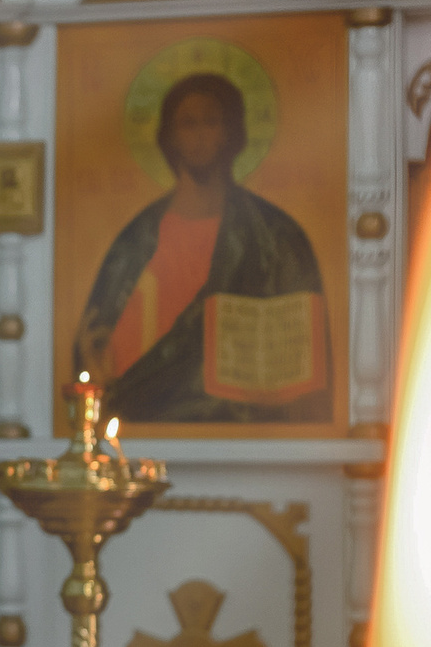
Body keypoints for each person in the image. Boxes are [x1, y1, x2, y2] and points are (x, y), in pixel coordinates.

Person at [71, 71, 329, 423]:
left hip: (237, 429)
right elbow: (94, 340)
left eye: (211, 122)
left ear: (231, 133)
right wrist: (95, 371)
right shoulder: (137, 238)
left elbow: (301, 361)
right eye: (187, 124)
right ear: (170, 137)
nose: (199, 136)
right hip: (133, 422)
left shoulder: (275, 235)